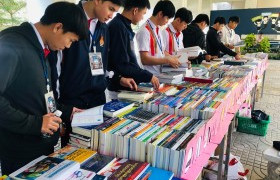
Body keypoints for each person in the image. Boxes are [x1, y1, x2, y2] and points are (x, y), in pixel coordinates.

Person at [0, 2, 88, 175]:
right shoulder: (12, 45)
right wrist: (36, 123)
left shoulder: (41, 49)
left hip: (40, 147)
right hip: (20, 150)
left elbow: (36, 94)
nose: (68, 46)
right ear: (58, 27)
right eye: (70, 40)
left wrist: (67, 111)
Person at [48, 0, 137, 147]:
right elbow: (54, 70)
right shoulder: (68, 19)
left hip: (97, 101)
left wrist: (118, 78)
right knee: (73, 151)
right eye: (110, 9)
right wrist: (59, 109)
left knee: (95, 149)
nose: (111, 15)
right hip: (72, 104)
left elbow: (103, 64)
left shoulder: (103, 28)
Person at [107, 0, 160, 96]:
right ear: (135, 10)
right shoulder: (118, 27)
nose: (142, 17)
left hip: (128, 86)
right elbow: (121, 63)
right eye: (143, 13)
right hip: (119, 88)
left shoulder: (125, 26)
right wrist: (147, 75)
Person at [136, 0, 179, 75]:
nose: (167, 21)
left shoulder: (158, 30)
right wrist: (166, 60)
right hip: (148, 76)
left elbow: (161, 52)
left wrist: (174, 59)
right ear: (160, 14)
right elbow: (144, 59)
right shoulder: (144, 31)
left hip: (159, 74)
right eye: (167, 18)